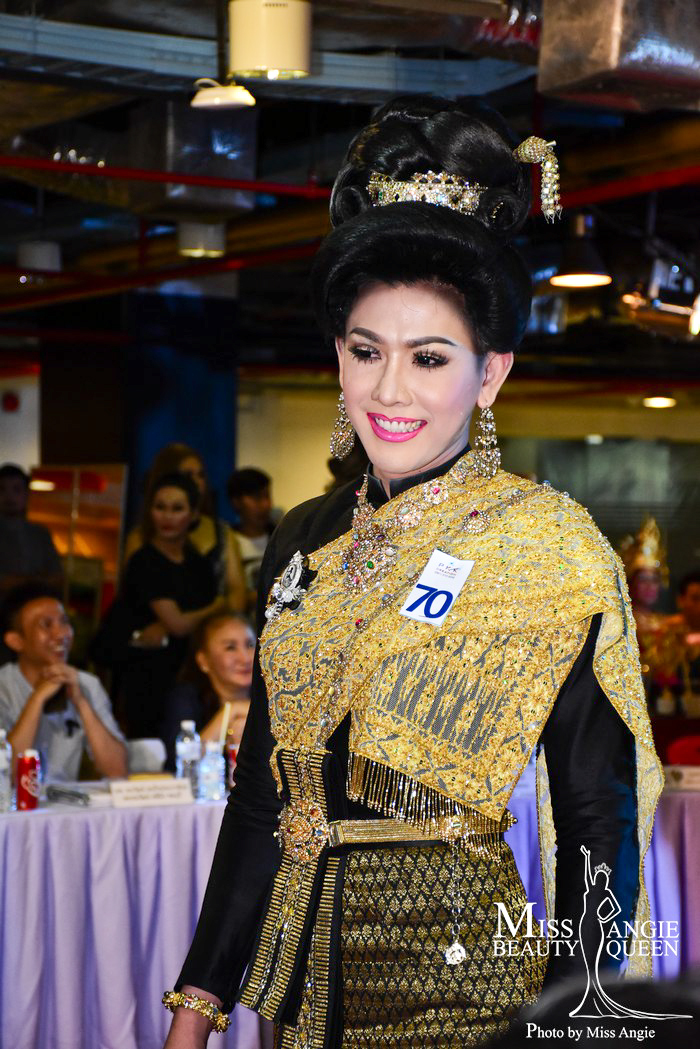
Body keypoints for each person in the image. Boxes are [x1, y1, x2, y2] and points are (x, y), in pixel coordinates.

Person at [162, 96, 661, 1048]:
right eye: (367, 351)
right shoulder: (303, 536)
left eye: (430, 358)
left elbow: (597, 817)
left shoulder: (551, 545)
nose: (389, 389)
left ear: (490, 374)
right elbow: (265, 793)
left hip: (462, 984)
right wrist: (199, 1000)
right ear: (339, 359)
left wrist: (575, 1021)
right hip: (300, 988)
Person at [116, 472, 225, 739]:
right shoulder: (144, 560)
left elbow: (199, 625)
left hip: (190, 671)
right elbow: (178, 624)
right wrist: (217, 606)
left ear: (194, 514)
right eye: (160, 507)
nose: (167, 517)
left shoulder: (198, 564)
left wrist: (183, 621)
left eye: (177, 508)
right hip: (147, 675)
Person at [0, 582, 127, 782]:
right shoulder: (3, 687)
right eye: (46, 625)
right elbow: (6, 775)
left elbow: (117, 770)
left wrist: (81, 701)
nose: (61, 634)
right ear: (16, 641)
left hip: (64, 799)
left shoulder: (86, 684)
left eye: (64, 622)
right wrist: (37, 699)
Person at [125, 444, 245, 612]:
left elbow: (237, 593)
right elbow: (133, 601)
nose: (197, 482)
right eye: (188, 475)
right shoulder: (140, 539)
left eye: (201, 475)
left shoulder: (222, 533)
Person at [162, 612, 254, 771]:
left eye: (250, 645)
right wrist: (231, 711)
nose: (245, 658)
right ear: (204, 660)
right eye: (230, 648)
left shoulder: (276, 694)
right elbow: (182, 765)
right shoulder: (186, 698)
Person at [0, 463, 62, 595]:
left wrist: (21, 581)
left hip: (37, 604)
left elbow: (57, 577)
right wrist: (36, 580)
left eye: (16, 490)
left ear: (27, 494)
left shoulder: (41, 534)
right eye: (2, 489)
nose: (9, 496)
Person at [227, 468, 274, 615]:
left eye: (267, 496)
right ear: (236, 502)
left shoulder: (279, 536)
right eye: (257, 498)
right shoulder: (227, 542)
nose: (265, 505)